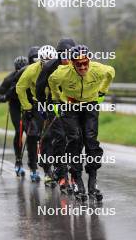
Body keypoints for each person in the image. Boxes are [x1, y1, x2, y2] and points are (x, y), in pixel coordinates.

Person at [48, 45, 115, 201]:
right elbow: (52, 81)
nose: (83, 67)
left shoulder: (98, 69)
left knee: (91, 141)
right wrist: (57, 99)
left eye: (85, 63)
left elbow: (111, 72)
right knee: (75, 140)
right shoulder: (62, 73)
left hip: (90, 104)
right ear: (72, 63)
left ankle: (93, 183)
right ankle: (77, 181)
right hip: (70, 106)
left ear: (89, 60)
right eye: (79, 64)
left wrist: (102, 92)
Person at [36, 38, 77, 190]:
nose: (67, 59)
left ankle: (74, 174)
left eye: (70, 55)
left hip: (73, 103)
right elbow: (40, 89)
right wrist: (42, 106)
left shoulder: (78, 62)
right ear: (58, 55)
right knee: (60, 137)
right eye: (63, 55)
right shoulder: (49, 67)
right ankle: (61, 174)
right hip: (54, 104)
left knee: (74, 138)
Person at [16, 45, 57, 182]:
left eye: (51, 61)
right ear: (39, 60)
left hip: (54, 103)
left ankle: (49, 169)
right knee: (34, 135)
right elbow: (20, 88)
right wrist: (27, 107)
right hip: (37, 104)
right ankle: (33, 167)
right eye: (44, 62)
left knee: (51, 136)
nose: (48, 65)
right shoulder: (31, 70)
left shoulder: (61, 67)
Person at [0, 56, 28, 176]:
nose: (20, 73)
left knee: (31, 132)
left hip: (27, 105)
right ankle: (18, 160)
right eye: (18, 70)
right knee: (19, 129)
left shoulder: (30, 76)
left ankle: (34, 161)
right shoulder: (8, 79)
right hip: (15, 106)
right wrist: (5, 98)